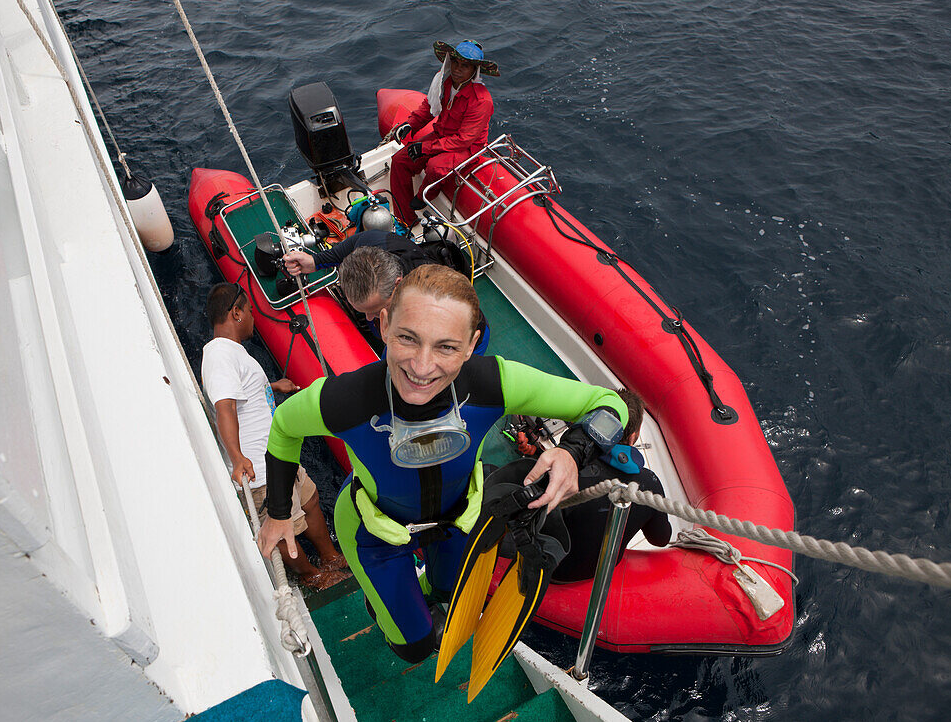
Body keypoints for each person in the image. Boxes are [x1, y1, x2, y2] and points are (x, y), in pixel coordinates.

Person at [255, 265, 627, 663]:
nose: (421, 365)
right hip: (374, 532)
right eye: (407, 338)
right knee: (413, 647)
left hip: (457, 521)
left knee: (450, 600)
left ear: (472, 346)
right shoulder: (346, 399)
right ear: (383, 326)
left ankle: (415, 600)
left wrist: (572, 451)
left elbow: (611, 405)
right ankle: (383, 609)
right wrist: (279, 511)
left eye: (447, 347)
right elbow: (283, 428)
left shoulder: (493, 383)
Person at [201, 282, 350, 590]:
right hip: (260, 468)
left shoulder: (231, 354)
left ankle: (330, 557)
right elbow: (225, 407)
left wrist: (271, 386)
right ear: (236, 313)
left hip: (280, 455)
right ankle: (313, 575)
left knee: (309, 501)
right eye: (251, 312)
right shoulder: (218, 355)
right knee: (285, 527)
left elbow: (239, 392)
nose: (254, 319)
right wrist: (238, 457)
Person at [282, 232, 490, 354]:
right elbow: (346, 248)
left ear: (398, 285)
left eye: (376, 309)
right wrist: (315, 261)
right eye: (363, 311)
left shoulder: (434, 297)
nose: (369, 318)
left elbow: (469, 331)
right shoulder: (372, 241)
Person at [550, 388, 672, 582]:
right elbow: (660, 539)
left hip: (552, 572)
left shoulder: (570, 471)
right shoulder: (650, 483)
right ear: (634, 436)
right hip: (595, 573)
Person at [382, 39, 498, 226]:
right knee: (400, 161)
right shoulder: (445, 82)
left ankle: (424, 195)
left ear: (474, 70)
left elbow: (464, 140)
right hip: (442, 136)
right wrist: (410, 125)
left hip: (467, 149)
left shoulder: (481, 101)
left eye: (465, 65)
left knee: (435, 167)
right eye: (455, 62)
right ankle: (405, 219)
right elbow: (430, 107)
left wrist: (425, 148)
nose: (458, 69)